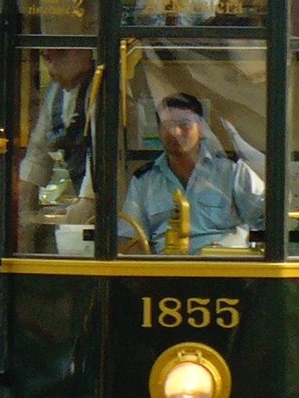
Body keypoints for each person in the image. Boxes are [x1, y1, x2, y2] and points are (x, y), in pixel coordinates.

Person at [120, 92, 265, 254]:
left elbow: (268, 215)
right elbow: (132, 238)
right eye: (167, 125)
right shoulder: (144, 180)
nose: (175, 132)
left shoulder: (230, 170)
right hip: (168, 271)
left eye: (184, 124)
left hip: (225, 269)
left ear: (201, 128)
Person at [19, 47, 96, 205]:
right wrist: (23, 202)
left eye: (58, 57)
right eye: (46, 58)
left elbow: (103, 154)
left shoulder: (102, 87)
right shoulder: (54, 93)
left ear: (82, 54)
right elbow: (38, 151)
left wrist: (86, 203)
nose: (50, 68)